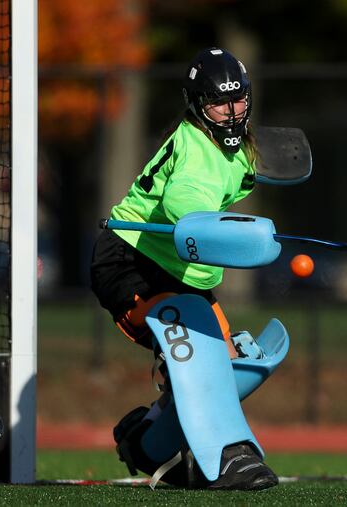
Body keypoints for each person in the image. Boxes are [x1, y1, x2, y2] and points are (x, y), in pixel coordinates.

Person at [90, 47, 278, 490]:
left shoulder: (240, 152)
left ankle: (146, 440)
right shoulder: (197, 152)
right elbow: (185, 206)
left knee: (233, 369)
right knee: (200, 354)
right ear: (197, 105)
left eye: (239, 100)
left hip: (179, 273)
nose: (232, 113)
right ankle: (228, 456)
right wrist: (235, 236)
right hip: (131, 262)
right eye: (219, 103)